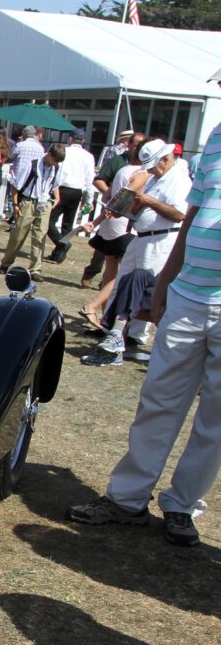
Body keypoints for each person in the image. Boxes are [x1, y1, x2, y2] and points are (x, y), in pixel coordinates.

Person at [68, 121, 221, 547]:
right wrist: (169, 278)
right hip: (189, 292)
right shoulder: (215, 137)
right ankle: (127, 499)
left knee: (215, 418)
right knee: (158, 399)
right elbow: (195, 214)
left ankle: (182, 505)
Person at [81, 139, 193, 366]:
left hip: (160, 240)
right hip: (142, 237)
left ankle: (130, 337)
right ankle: (114, 335)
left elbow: (179, 214)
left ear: (165, 160)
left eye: (153, 166)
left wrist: (148, 201)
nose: (150, 170)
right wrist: (129, 207)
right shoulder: (157, 178)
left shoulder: (179, 180)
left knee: (142, 292)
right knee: (122, 286)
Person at [79, 139, 144, 332]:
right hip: (123, 227)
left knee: (110, 272)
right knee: (124, 274)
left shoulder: (123, 170)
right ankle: (92, 307)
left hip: (110, 226)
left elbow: (108, 197)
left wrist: (97, 222)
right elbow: (122, 200)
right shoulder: (142, 174)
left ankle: (105, 320)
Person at [0, 140, 62, 277]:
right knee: (18, 235)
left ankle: (35, 269)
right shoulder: (32, 165)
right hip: (28, 202)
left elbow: (55, 185)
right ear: (49, 154)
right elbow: (16, 184)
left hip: (44, 203)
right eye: (55, 160)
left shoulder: (55, 168)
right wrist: (15, 205)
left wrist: (57, 198)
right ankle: (6, 263)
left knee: (40, 237)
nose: (55, 163)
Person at [47, 130, 96, 262]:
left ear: (70, 139)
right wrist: (89, 200)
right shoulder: (89, 156)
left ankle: (62, 244)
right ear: (83, 141)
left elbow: (57, 173)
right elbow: (90, 180)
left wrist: (53, 189)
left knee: (49, 221)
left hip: (62, 189)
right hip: (77, 191)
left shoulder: (65, 151)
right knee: (67, 225)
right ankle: (58, 255)